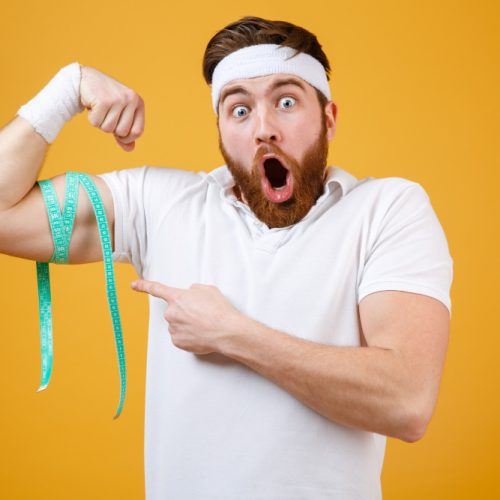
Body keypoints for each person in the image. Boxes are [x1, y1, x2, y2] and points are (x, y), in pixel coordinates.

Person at [0, 15, 453, 500]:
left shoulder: (387, 209)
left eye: (286, 102)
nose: (264, 130)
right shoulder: (159, 204)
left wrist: (233, 334)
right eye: (239, 110)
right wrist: (66, 90)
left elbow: (407, 402)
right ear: (219, 130)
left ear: (329, 118)